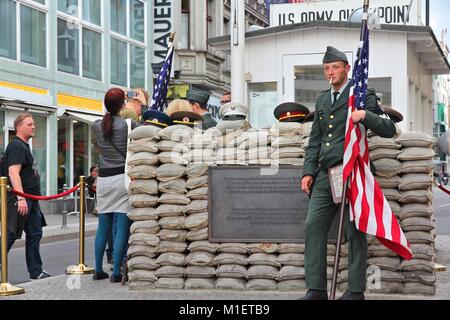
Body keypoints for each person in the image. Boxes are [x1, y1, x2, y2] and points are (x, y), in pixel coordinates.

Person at [300, 46, 397, 300]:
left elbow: (389, 129)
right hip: (325, 175)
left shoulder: (363, 94)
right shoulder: (322, 99)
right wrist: (308, 171)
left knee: (354, 231)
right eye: (326, 68)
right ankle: (316, 289)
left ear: (347, 68)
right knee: (313, 226)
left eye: (334, 67)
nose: (330, 72)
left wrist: (365, 114)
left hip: (353, 172)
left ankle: (355, 291)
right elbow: (316, 139)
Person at [92, 88, 138, 283]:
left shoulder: (96, 125)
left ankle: (97, 269)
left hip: (103, 180)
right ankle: (117, 272)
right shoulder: (129, 125)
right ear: (123, 104)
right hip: (121, 178)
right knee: (121, 227)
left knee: (103, 225)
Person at [1, 113, 51, 280]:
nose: (33, 127)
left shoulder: (23, 146)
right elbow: (13, 173)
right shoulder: (16, 146)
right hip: (21, 200)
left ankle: (36, 271)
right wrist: (21, 198)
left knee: (35, 234)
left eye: (33, 124)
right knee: (10, 235)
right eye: (29, 124)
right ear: (19, 127)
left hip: (31, 200)